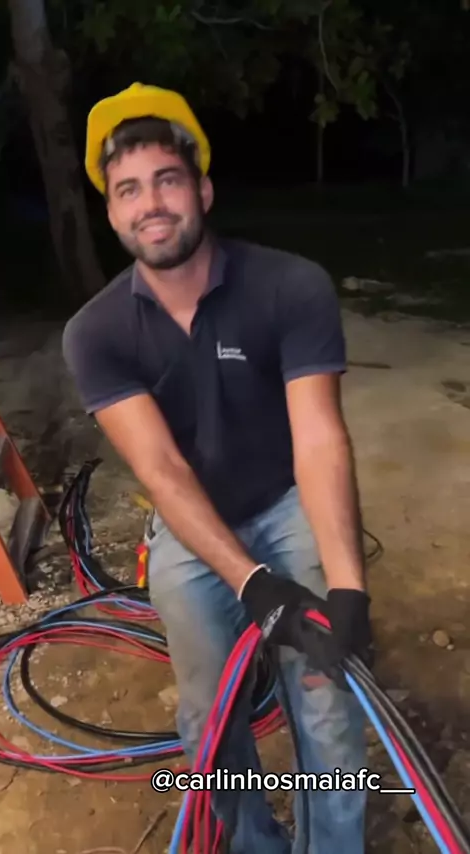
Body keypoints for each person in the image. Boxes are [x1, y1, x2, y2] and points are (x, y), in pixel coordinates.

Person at [62, 82, 374, 854]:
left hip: (288, 502)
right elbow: (162, 470)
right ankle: (251, 843)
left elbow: (319, 439)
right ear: (112, 214)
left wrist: (347, 588)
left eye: (167, 179)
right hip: (189, 521)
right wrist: (254, 585)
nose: (151, 203)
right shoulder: (96, 332)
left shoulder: (290, 286)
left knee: (328, 703)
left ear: (202, 190)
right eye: (128, 189)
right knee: (208, 719)